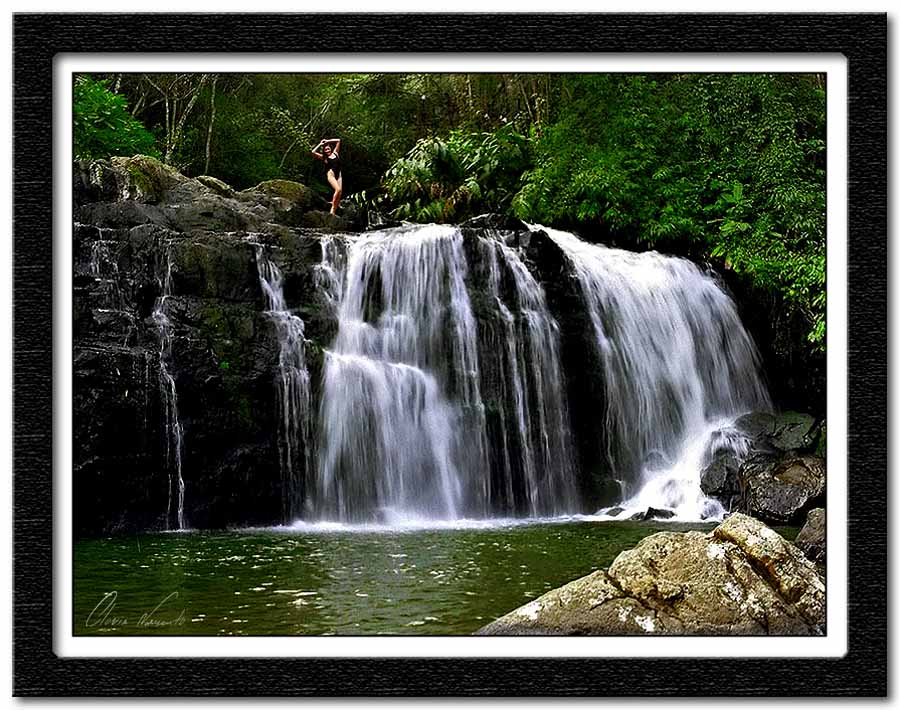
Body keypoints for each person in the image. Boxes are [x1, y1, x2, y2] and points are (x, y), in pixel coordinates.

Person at [311, 138, 342, 215]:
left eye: (328, 148)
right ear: (324, 151)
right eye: (325, 150)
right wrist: (320, 144)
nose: (327, 150)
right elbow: (313, 152)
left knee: (340, 193)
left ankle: (334, 210)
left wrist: (327, 141)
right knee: (337, 190)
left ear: (330, 148)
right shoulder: (324, 158)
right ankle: (332, 208)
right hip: (331, 174)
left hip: (339, 175)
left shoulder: (335, 153)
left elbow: (338, 140)